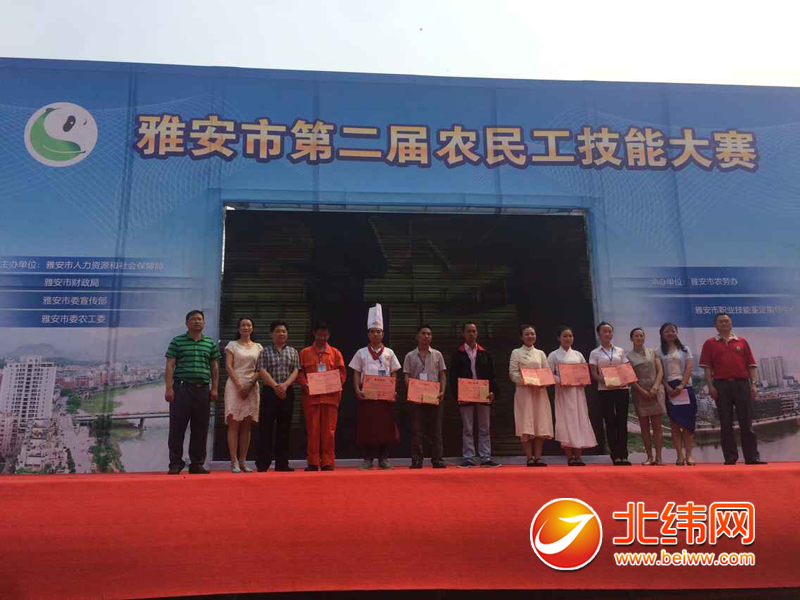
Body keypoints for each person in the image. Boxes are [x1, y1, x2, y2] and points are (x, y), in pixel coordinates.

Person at [699, 312, 766, 465]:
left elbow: (751, 365)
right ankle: (730, 458)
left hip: (742, 384)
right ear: (715, 325)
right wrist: (710, 386)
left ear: (731, 323)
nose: (724, 323)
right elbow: (707, 368)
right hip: (721, 386)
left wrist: (753, 384)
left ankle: (752, 458)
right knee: (726, 423)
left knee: (746, 422)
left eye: (726, 321)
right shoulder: (709, 343)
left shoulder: (742, 342)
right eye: (721, 321)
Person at [164, 310, 221, 474]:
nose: (197, 322)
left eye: (200, 319)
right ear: (186, 323)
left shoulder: (210, 343)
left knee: (200, 428)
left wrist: (215, 388)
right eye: (193, 319)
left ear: (204, 323)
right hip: (182, 389)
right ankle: (175, 463)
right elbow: (170, 365)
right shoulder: (177, 341)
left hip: (203, 390)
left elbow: (215, 367)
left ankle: (196, 463)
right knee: (177, 427)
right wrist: (169, 388)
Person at [350, 304, 401, 470]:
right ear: (368, 334)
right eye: (372, 331)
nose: (375, 334)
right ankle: (367, 458)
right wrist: (357, 390)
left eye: (378, 331)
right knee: (367, 428)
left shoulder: (389, 353)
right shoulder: (361, 352)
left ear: (383, 334)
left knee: (385, 428)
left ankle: (384, 458)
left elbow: (394, 372)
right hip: (367, 396)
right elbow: (356, 373)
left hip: (385, 397)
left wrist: (392, 391)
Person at [297, 322, 347, 471]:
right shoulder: (305, 353)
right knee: (313, 430)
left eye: (325, 335)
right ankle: (312, 462)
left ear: (329, 335)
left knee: (329, 431)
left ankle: (327, 462)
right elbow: (299, 372)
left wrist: (335, 384)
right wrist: (305, 384)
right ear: (314, 334)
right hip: (311, 398)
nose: (322, 338)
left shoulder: (335, 353)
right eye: (319, 334)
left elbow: (342, 373)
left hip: (330, 398)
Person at [450, 322, 500, 468]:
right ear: (463, 334)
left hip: (483, 394)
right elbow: (453, 378)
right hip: (465, 395)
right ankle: (469, 458)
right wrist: (458, 395)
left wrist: (493, 391)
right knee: (467, 428)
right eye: (469, 331)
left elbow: (492, 375)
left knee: (485, 428)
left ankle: (485, 457)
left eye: (474, 331)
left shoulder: (485, 353)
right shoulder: (457, 354)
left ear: (477, 333)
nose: (471, 334)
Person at [547, 326, 597, 466]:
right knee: (566, 421)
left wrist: (582, 380)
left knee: (579, 420)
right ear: (558, 338)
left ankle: (578, 457)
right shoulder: (553, 355)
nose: (568, 339)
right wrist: (561, 380)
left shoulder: (578, 355)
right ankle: (570, 457)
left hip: (577, 393)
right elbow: (548, 373)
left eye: (570, 336)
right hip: (563, 392)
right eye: (565, 336)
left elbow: (584, 372)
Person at [255, 320, 300, 472]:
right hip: (270, 392)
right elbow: (262, 370)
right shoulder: (265, 351)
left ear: (287, 334)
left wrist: (285, 385)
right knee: (265, 428)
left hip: (287, 392)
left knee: (285, 428)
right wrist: (276, 386)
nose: (281, 333)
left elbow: (296, 370)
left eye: (284, 331)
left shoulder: (293, 352)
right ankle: (263, 464)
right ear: (271, 334)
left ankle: (282, 463)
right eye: (278, 331)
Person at [403, 325, 447, 469]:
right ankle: (416, 460)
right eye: (423, 333)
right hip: (416, 398)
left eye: (429, 334)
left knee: (436, 430)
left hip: (434, 396)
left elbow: (442, 375)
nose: (426, 336)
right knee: (417, 430)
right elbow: (406, 375)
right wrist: (411, 390)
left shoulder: (437, 355)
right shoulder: (410, 356)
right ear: (417, 336)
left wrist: (442, 391)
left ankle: (438, 459)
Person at [509, 324, 553, 467]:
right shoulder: (516, 352)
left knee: (540, 423)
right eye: (527, 334)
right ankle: (529, 458)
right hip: (524, 393)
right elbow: (513, 373)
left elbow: (547, 372)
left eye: (532, 334)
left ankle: (538, 458)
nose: (530, 336)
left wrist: (542, 382)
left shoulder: (540, 353)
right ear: (521, 337)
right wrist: (527, 381)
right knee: (526, 423)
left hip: (539, 393)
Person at [223, 318, 263, 473]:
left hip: (252, 386)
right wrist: (240, 385)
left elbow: (261, 368)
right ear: (238, 328)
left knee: (247, 425)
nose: (246, 327)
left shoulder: (258, 347)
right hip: (234, 385)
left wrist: (250, 384)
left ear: (252, 328)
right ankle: (233, 461)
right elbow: (228, 366)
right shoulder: (232, 345)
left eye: (249, 325)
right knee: (234, 424)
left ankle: (243, 461)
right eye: (243, 325)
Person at [589, 321, 632, 466]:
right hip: (605, 390)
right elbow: (594, 374)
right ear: (599, 334)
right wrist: (606, 380)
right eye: (604, 331)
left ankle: (624, 454)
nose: (608, 334)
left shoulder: (620, 351)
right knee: (610, 422)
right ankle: (615, 455)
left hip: (621, 389)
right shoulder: (595, 353)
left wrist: (623, 379)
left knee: (622, 422)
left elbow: (626, 368)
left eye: (610, 331)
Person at [656, 323, 697, 466]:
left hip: (685, 387)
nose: (670, 333)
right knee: (674, 424)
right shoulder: (658, 351)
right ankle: (679, 455)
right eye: (667, 331)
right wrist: (667, 387)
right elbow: (659, 372)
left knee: (687, 423)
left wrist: (681, 385)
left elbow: (689, 368)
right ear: (662, 334)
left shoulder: (685, 349)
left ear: (677, 332)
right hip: (669, 388)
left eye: (672, 331)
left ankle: (689, 455)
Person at [628, 328, 665, 466]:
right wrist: (642, 391)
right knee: (644, 427)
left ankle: (659, 457)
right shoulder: (628, 356)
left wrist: (655, 387)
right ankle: (649, 457)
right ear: (631, 339)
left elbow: (660, 371)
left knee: (657, 426)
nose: (639, 338)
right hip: (639, 392)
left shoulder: (653, 351)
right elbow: (630, 377)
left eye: (641, 335)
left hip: (655, 391)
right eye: (636, 336)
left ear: (644, 337)